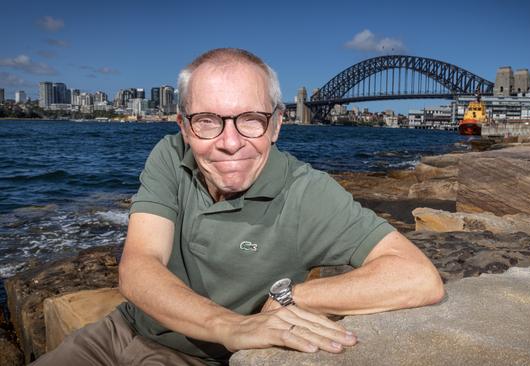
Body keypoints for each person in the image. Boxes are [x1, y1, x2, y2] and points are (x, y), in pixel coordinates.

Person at [32, 48, 444, 365]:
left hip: (196, 358)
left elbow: (418, 278)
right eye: (208, 120)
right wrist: (230, 325)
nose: (230, 142)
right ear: (184, 127)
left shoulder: (306, 192)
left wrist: (297, 297)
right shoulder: (169, 154)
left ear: (277, 124)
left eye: (250, 119)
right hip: (120, 330)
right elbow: (138, 266)